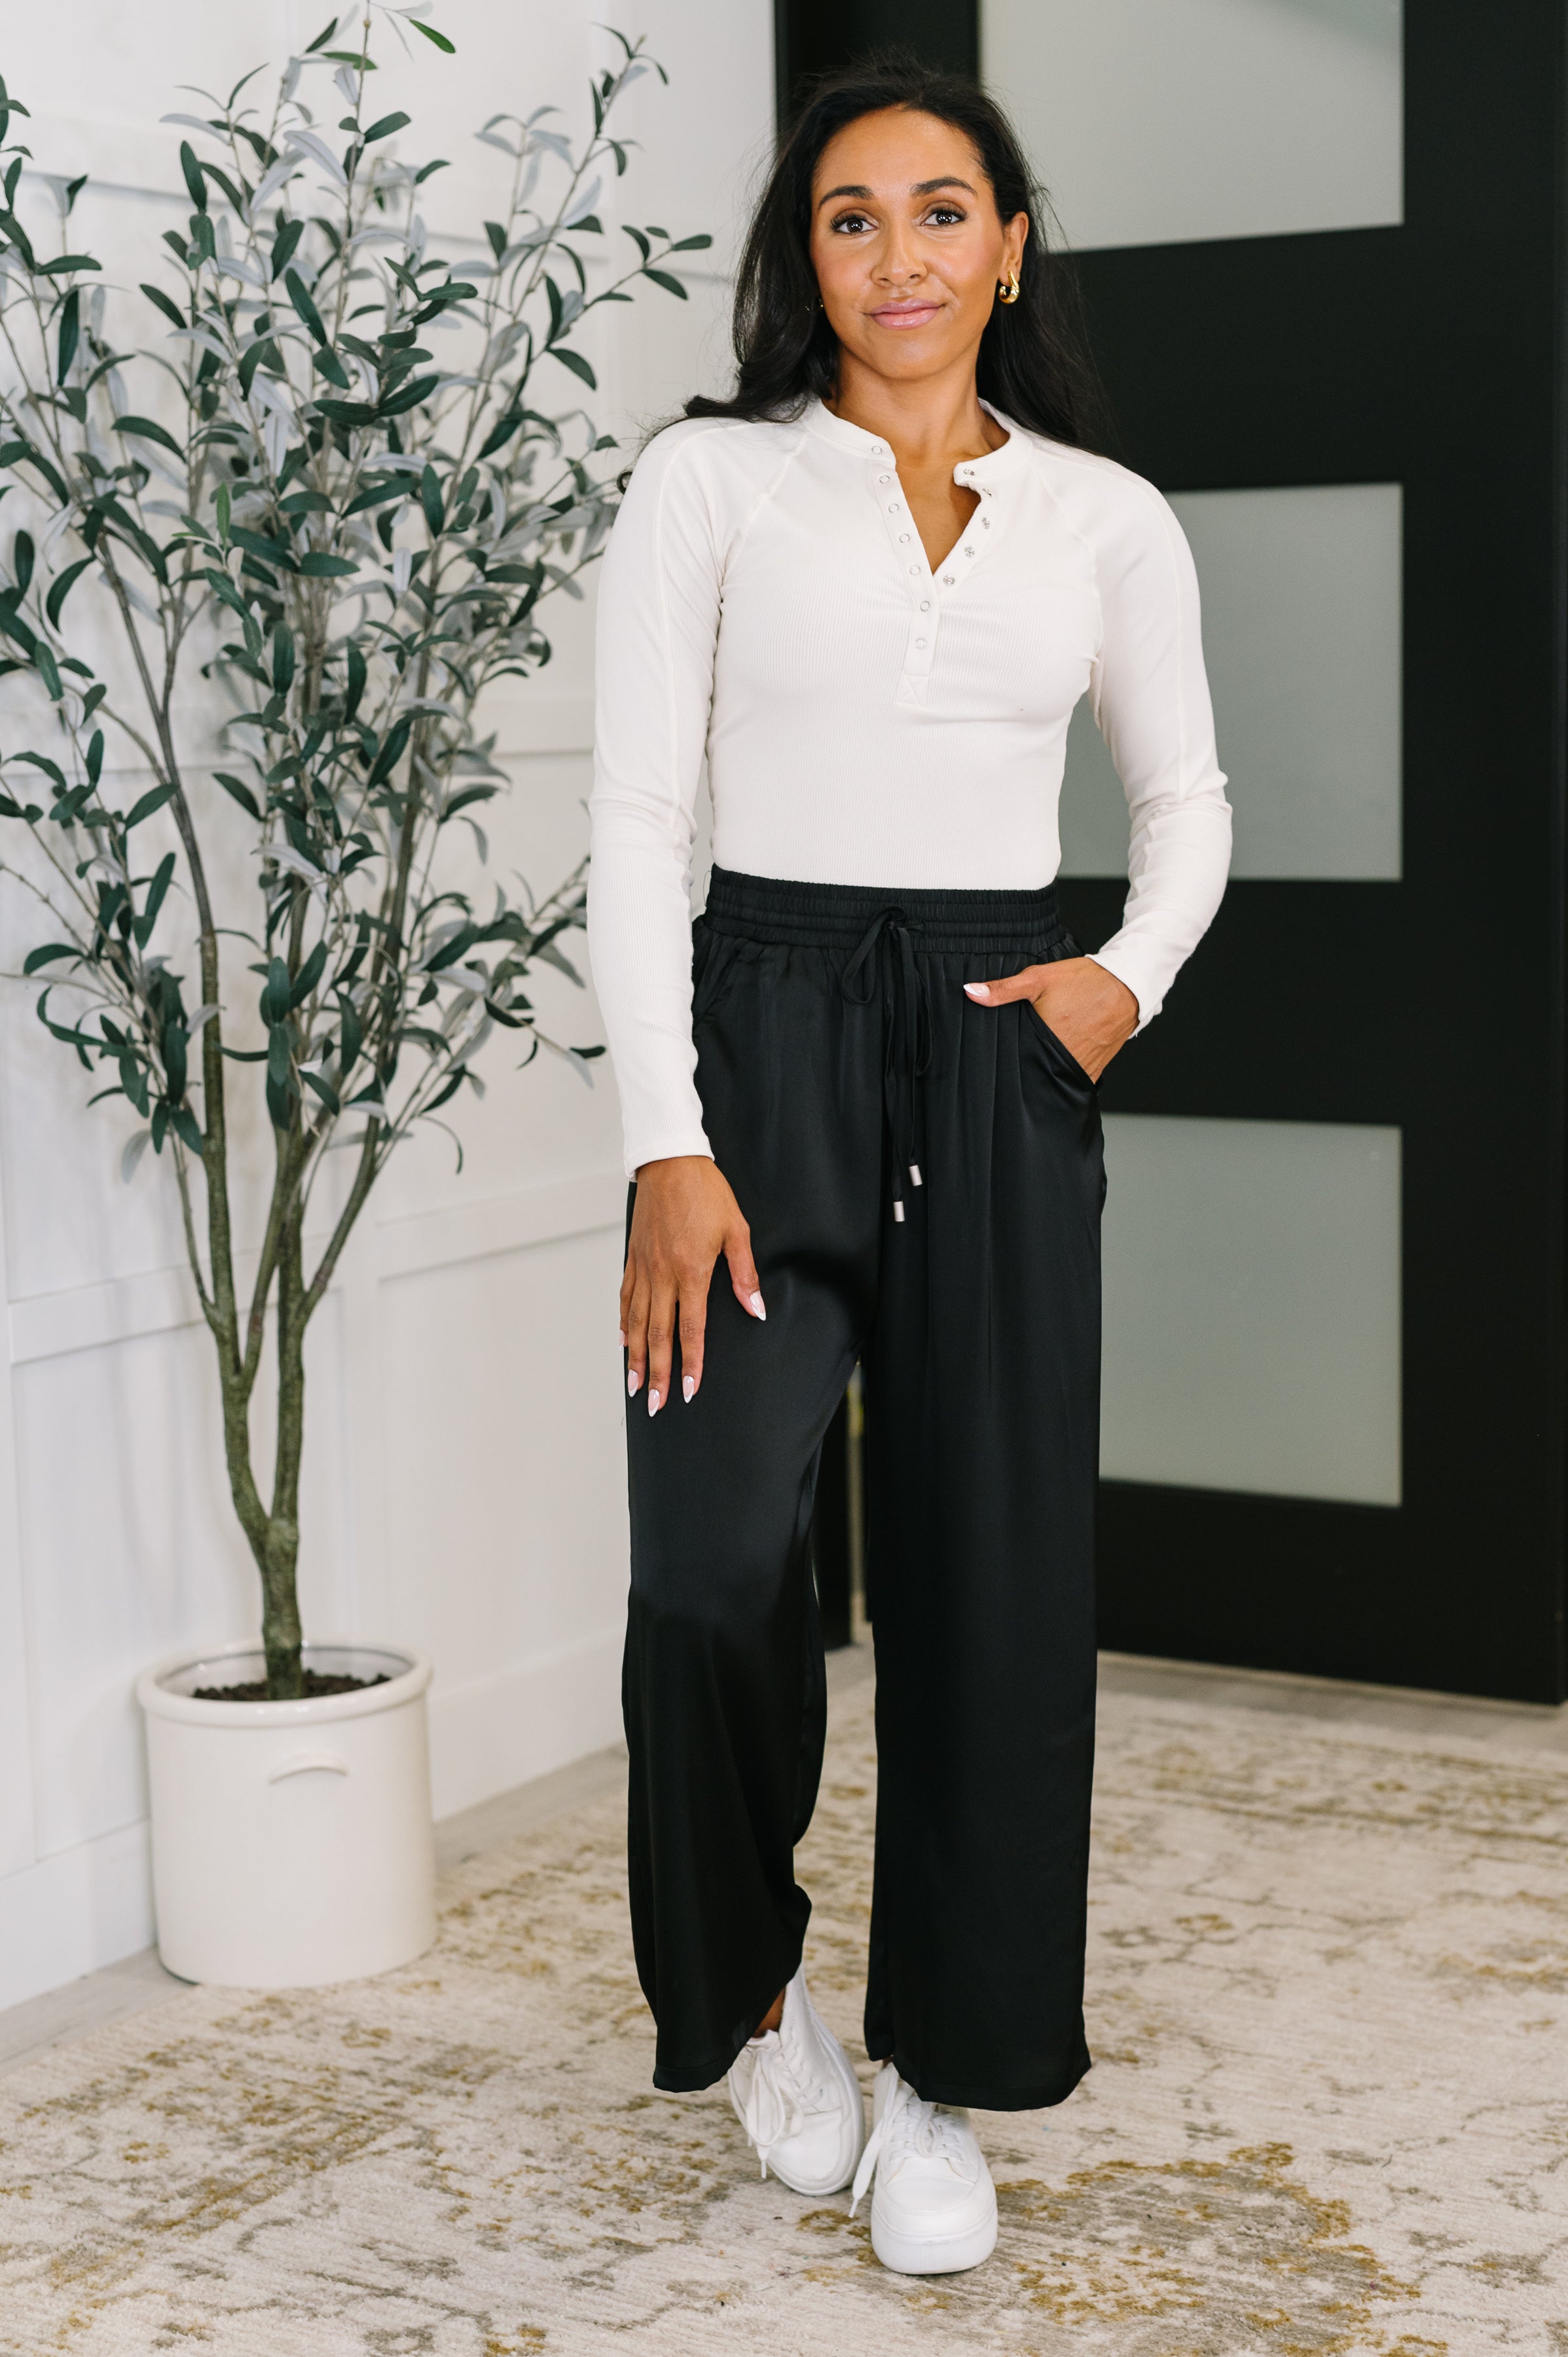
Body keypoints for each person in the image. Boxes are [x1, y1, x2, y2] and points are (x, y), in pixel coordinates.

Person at [586, 50, 1231, 2277]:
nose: (898, 256)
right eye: (849, 218)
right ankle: (758, 1989)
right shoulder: (711, 483)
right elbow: (635, 819)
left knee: (993, 1581)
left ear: (1009, 246)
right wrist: (668, 1144)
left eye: (940, 211)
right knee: (705, 1570)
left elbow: (1185, 799)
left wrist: (1114, 986)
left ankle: (938, 2072)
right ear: (807, 259)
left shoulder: (1101, 517)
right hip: (754, 1033)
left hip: (991, 1044)